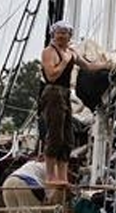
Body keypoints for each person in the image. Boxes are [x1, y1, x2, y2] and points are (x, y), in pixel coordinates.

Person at [39, 20, 111, 187]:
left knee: (67, 138)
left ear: (70, 35)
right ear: (53, 34)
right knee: (55, 134)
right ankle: (51, 175)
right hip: (53, 91)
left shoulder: (71, 52)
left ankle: (62, 176)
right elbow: (51, 75)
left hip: (64, 93)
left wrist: (108, 65)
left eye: (65, 33)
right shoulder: (49, 52)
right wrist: (64, 61)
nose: (62, 36)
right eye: (59, 33)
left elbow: (88, 66)